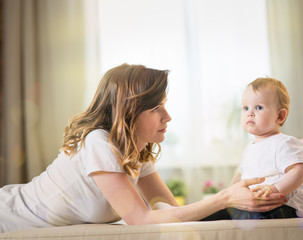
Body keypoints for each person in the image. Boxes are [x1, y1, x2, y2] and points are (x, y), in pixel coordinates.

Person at [0, 65, 286, 233]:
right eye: (156, 108)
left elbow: (169, 210)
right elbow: (142, 220)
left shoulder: (138, 149)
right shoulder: (98, 143)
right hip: (7, 215)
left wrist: (236, 201)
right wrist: (224, 198)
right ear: (129, 112)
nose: (168, 117)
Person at [203, 77, 303, 221]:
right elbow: (240, 176)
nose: (249, 113)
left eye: (258, 107)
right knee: (213, 213)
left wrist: (275, 189)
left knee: (236, 217)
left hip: (280, 206)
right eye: (245, 107)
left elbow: (299, 172)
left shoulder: (284, 143)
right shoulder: (250, 148)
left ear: (280, 115)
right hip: (254, 205)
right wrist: (229, 194)